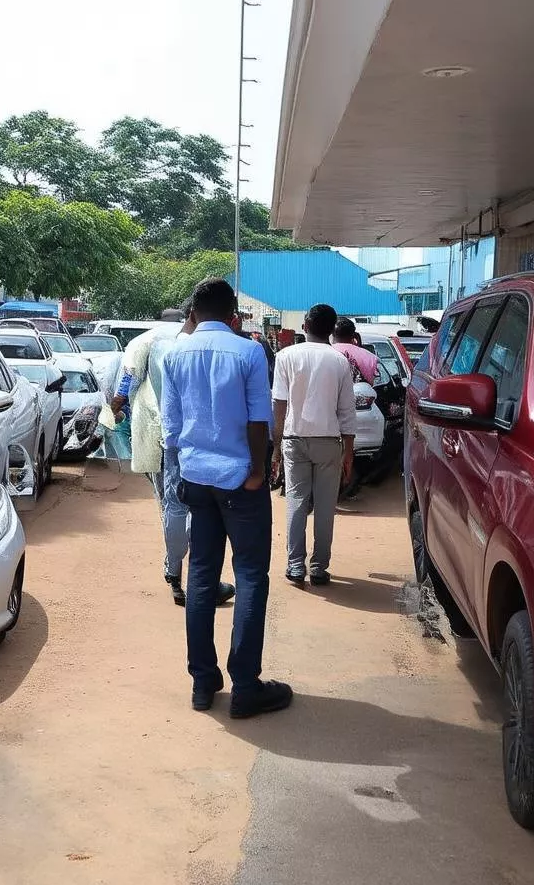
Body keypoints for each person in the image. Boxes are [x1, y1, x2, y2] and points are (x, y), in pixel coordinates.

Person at [162, 278, 292, 719]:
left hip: (196, 478)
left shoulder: (175, 354)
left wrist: (182, 469)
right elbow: (259, 419)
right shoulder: (248, 352)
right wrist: (258, 471)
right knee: (251, 575)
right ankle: (246, 687)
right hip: (240, 480)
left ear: (192, 313)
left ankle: (203, 681)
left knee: (201, 575)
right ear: (233, 315)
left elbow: (171, 426)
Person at [111, 305, 234, 608]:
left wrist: (116, 406)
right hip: (204, 438)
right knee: (198, 508)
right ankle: (197, 579)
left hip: (160, 433)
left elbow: (127, 379)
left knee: (171, 505)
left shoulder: (147, 341)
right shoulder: (206, 345)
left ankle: (174, 571)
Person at [271, 303, 357, 586]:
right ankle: (319, 567)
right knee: (325, 506)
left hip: (294, 439)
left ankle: (295, 566)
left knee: (296, 502)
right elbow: (347, 411)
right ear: (332, 330)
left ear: (305, 326)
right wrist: (349, 452)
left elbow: (279, 404)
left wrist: (276, 446)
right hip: (329, 441)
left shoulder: (285, 356)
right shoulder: (339, 361)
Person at [333, 317, 379, 384]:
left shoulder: (324, 352)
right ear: (353, 334)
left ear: (330, 334)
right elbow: (378, 382)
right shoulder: (372, 358)